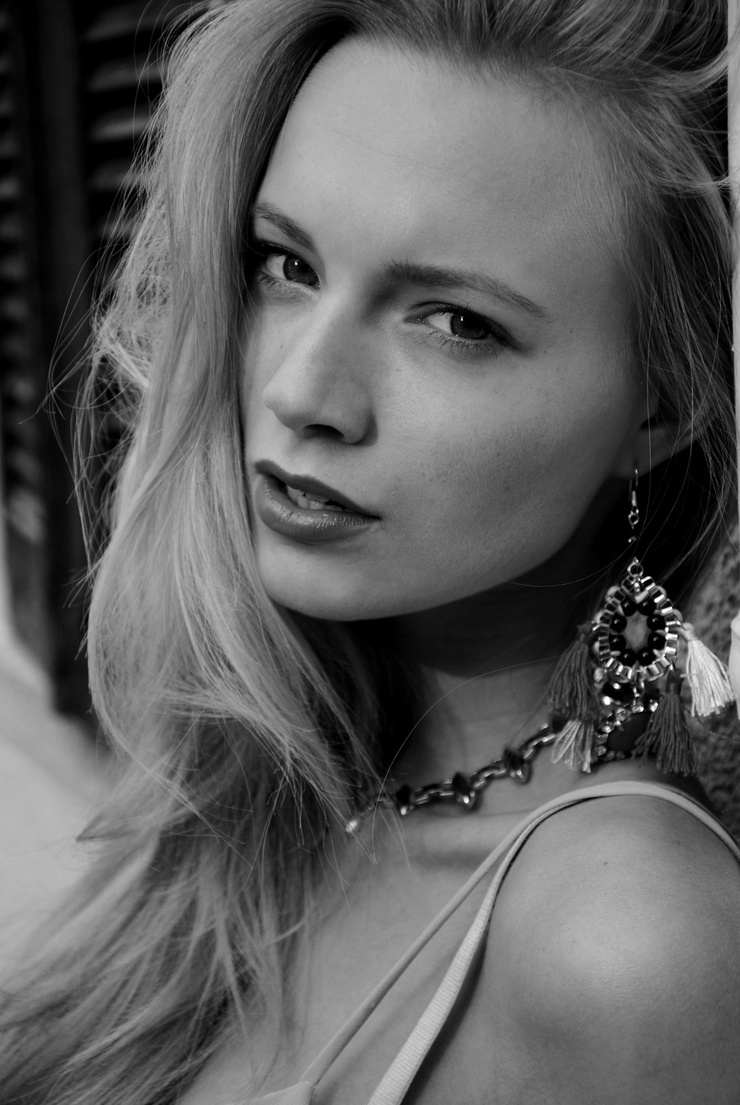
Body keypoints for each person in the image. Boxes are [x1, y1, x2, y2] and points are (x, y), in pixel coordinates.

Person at [2, 0, 740, 1101]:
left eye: (455, 322)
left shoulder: (625, 946)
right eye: (286, 264)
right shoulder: (275, 773)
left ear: (662, 407)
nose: (302, 391)